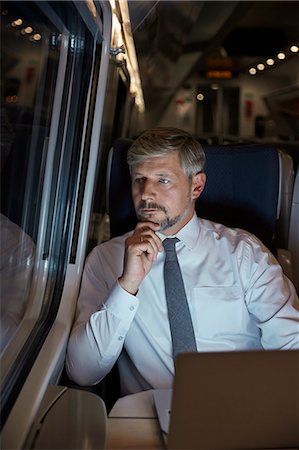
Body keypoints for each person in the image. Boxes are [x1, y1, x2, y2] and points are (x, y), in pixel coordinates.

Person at [66, 127, 299, 396]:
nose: (146, 194)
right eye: (139, 179)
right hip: (148, 416)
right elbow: (82, 372)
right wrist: (127, 285)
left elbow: (291, 346)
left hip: (240, 406)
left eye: (163, 180)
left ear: (196, 186)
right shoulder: (105, 259)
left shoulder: (244, 254)